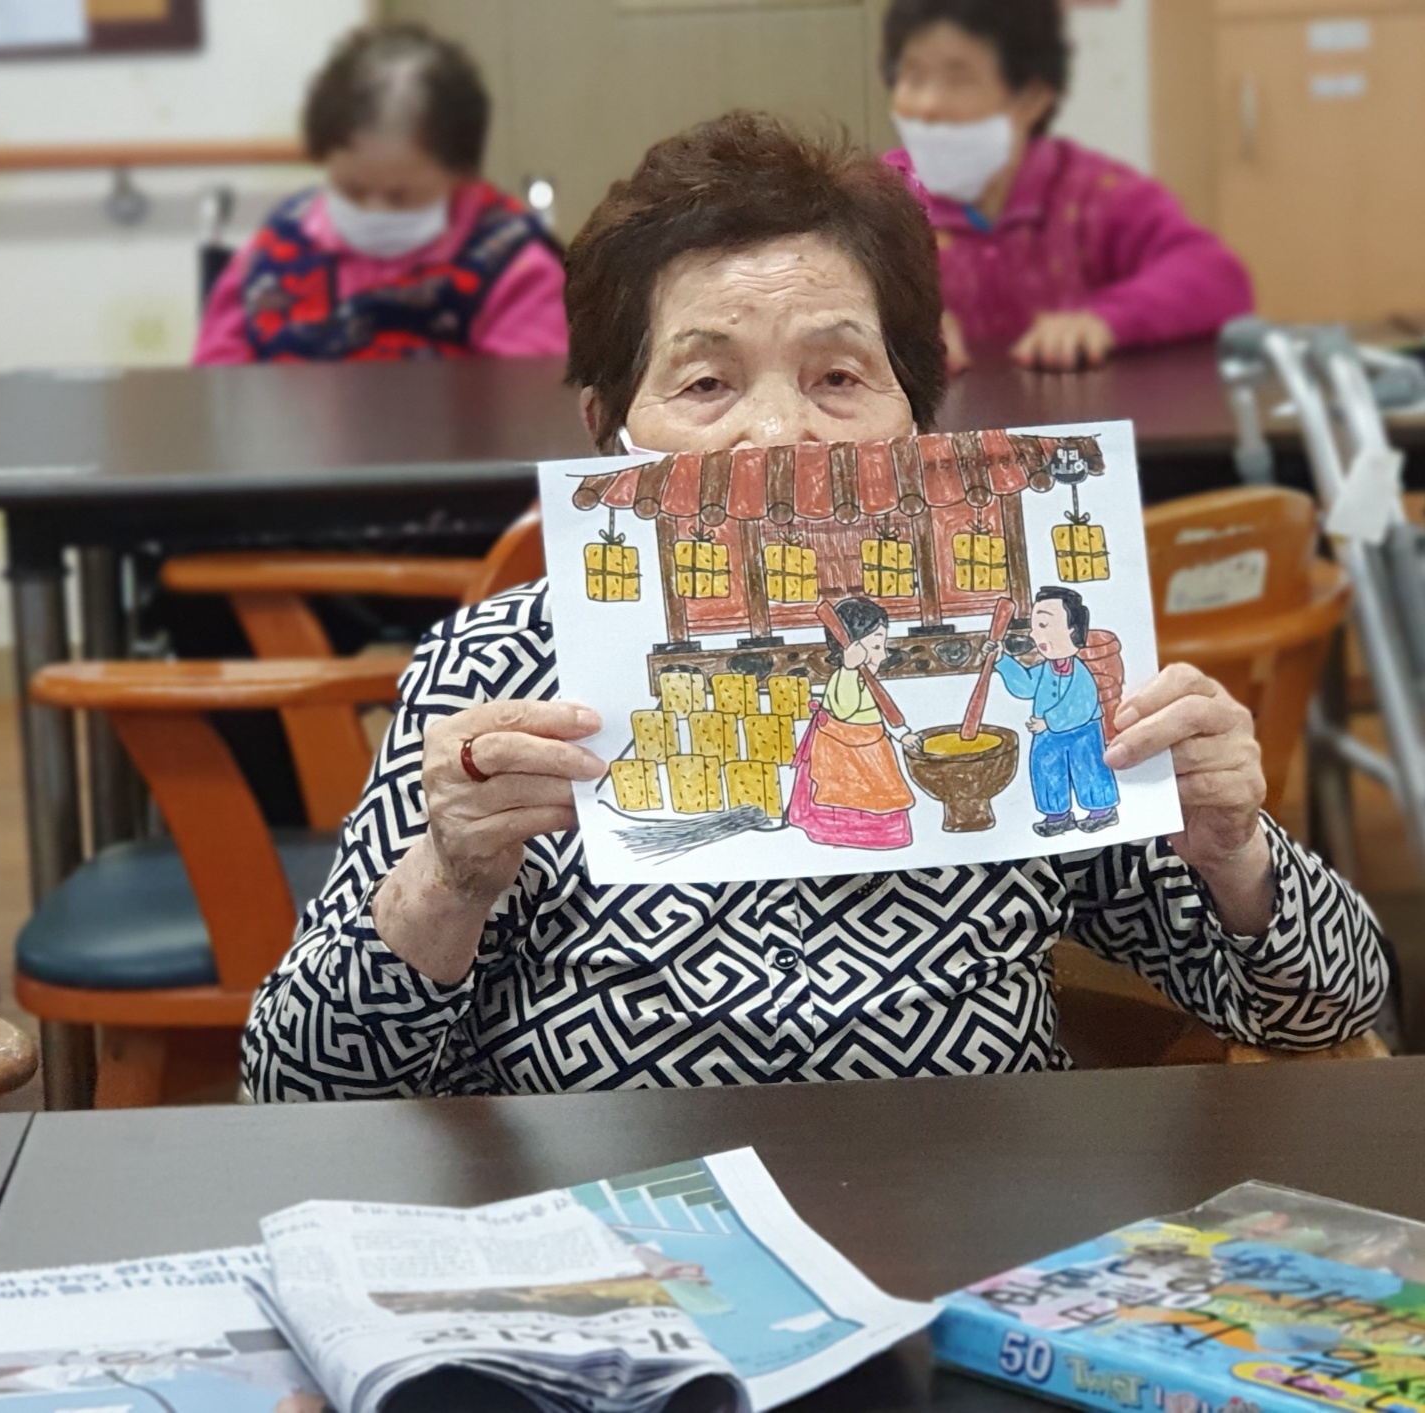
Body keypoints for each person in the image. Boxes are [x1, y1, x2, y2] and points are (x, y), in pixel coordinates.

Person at [244, 113, 1385, 1101]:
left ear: (918, 418)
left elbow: (1335, 1004)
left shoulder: (1037, 651)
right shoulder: (496, 666)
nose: (780, 432)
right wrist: (444, 883)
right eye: (706, 382)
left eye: (839, 377)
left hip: (961, 1211)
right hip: (620, 1227)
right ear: (610, 427)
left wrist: (1236, 851)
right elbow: (296, 1082)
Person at [881, 0, 1253, 373]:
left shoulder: (1091, 194)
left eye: (958, 80)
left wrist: (1106, 319)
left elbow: (1217, 276)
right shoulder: (885, 194)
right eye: (912, 78)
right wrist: (895, 327)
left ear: (1032, 98)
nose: (926, 104)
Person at [194, 23, 566, 364]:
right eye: (352, 190)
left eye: (401, 196)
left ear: (461, 175)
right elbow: (217, 384)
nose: (374, 210)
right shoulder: (276, 248)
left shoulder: (515, 266)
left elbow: (528, 397)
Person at [789, 598, 921, 849]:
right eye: (876, 646)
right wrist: (849, 670)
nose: (882, 655)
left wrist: (902, 734)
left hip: (873, 749)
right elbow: (844, 709)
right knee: (845, 795)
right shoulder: (843, 678)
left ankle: (881, 834)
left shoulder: (868, 680)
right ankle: (841, 834)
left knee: (881, 794)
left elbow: (883, 712)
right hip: (843, 753)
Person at [991, 586, 1120, 837]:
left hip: (1082, 732)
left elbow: (1082, 705)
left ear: (1072, 630)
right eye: (1034, 626)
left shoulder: (1080, 672)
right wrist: (1002, 661)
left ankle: (1101, 811)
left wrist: (1048, 722)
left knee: (1089, 769)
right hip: (1048, 735)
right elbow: (1025, 686)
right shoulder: (1046, 668)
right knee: (1047, 770)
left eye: (1043, 625)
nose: (1034, 633)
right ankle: (1057, 816)